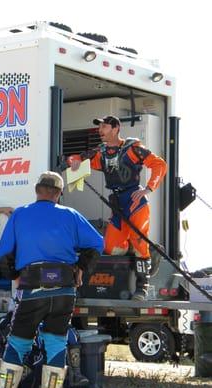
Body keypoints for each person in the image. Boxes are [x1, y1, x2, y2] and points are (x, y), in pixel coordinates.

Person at [0, 172, 103, 388]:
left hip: (32, 287)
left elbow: (3, 254)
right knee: (56, 341)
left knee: (18, 342)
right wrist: (81, 268)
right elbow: (97, 243)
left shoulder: (20, 214)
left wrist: (15, 275)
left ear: (37, 190)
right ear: (58, 194)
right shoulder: (71, 215)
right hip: (65, 288)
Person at [68, 115, 167, 300]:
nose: (100, 130)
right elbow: (75, 159)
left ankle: (141, 286)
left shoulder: (133, 148)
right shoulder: (101, 152)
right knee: (112, 248)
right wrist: (73, 162)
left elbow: (159, 164)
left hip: (135, 201)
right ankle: (146, 252)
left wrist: (148, 188)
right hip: (117, 203)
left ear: (115, 129)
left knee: (139, 242)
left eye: (104, 126)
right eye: (100, 127)